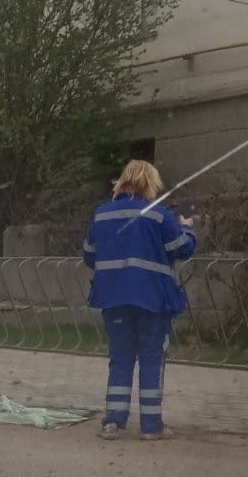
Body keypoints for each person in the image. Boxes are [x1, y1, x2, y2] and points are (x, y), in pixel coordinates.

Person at [83, 159, 197, 441]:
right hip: (153, 301)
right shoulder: (158, 216)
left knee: (120, 358)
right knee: (151, 359)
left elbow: (89, 256)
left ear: (122, 182)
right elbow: (182, 250)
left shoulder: (101, 215)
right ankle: (151, 426)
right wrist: (188, 228)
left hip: (113, 299)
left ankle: (113, 422)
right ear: (150, 184)